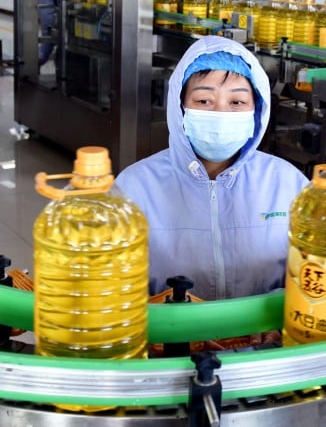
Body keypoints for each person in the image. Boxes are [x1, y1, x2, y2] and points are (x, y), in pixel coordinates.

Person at [116, 35, 309, 301]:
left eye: (237, 102)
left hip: (269, 339)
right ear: (179, 107)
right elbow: (112, 285)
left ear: (257, 109)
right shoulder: (133, 188)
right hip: (170, 338)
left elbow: (314, 273)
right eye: (204, 101)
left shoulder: (288, 184)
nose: (221, 113)